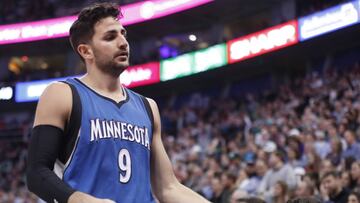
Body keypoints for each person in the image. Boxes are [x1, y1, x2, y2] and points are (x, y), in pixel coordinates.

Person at [26, 3, 210, 203]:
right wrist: (81, 200)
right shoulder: (62, 94)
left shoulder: (148, 107)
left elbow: (168, 187)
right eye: (110, 37)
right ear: (86, 51)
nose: (123, 42)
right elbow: (37, 174)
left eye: (123, 34)